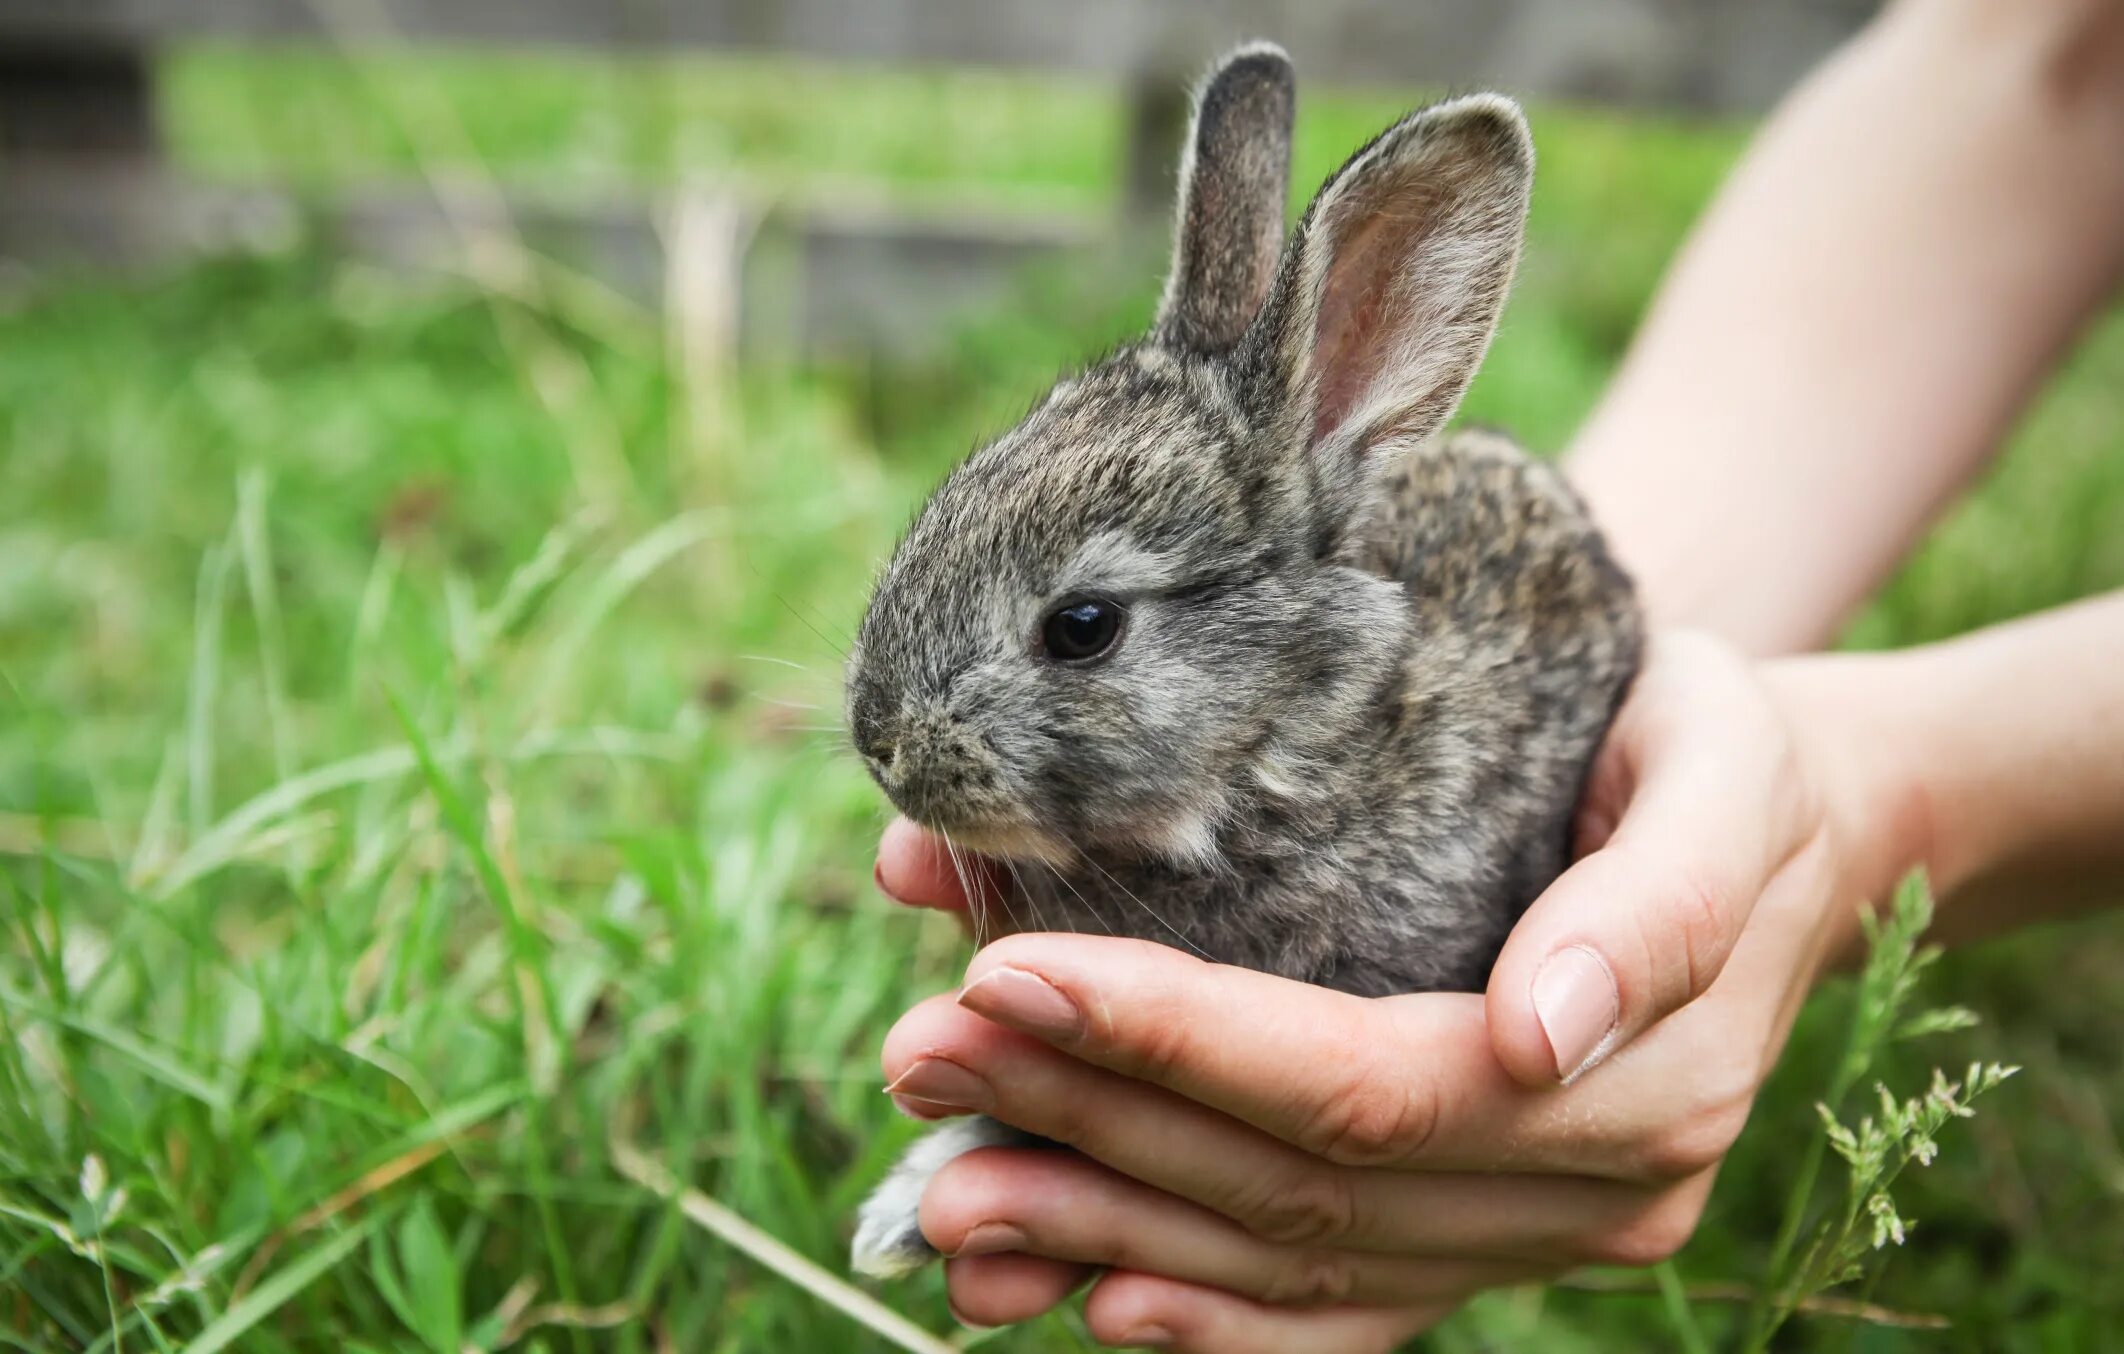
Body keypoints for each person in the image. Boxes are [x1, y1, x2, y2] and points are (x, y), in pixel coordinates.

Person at [868, 0, 2124, 1347]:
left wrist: (1875, 803)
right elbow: (2060, 49)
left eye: (1079, 632)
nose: (893, 743)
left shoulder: (1412, 820)